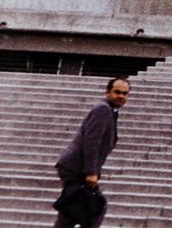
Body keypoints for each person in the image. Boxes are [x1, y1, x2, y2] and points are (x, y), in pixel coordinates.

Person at [52, 76, 130, 227]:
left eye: (125, 93)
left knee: (72, 212)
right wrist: (91, 172)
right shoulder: (103, 109)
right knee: (95, 209)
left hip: (77, 168)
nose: (121, 96)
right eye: (117, 92)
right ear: (107, 92)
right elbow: (91, 143)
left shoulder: (110, 111)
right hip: (76, 168)